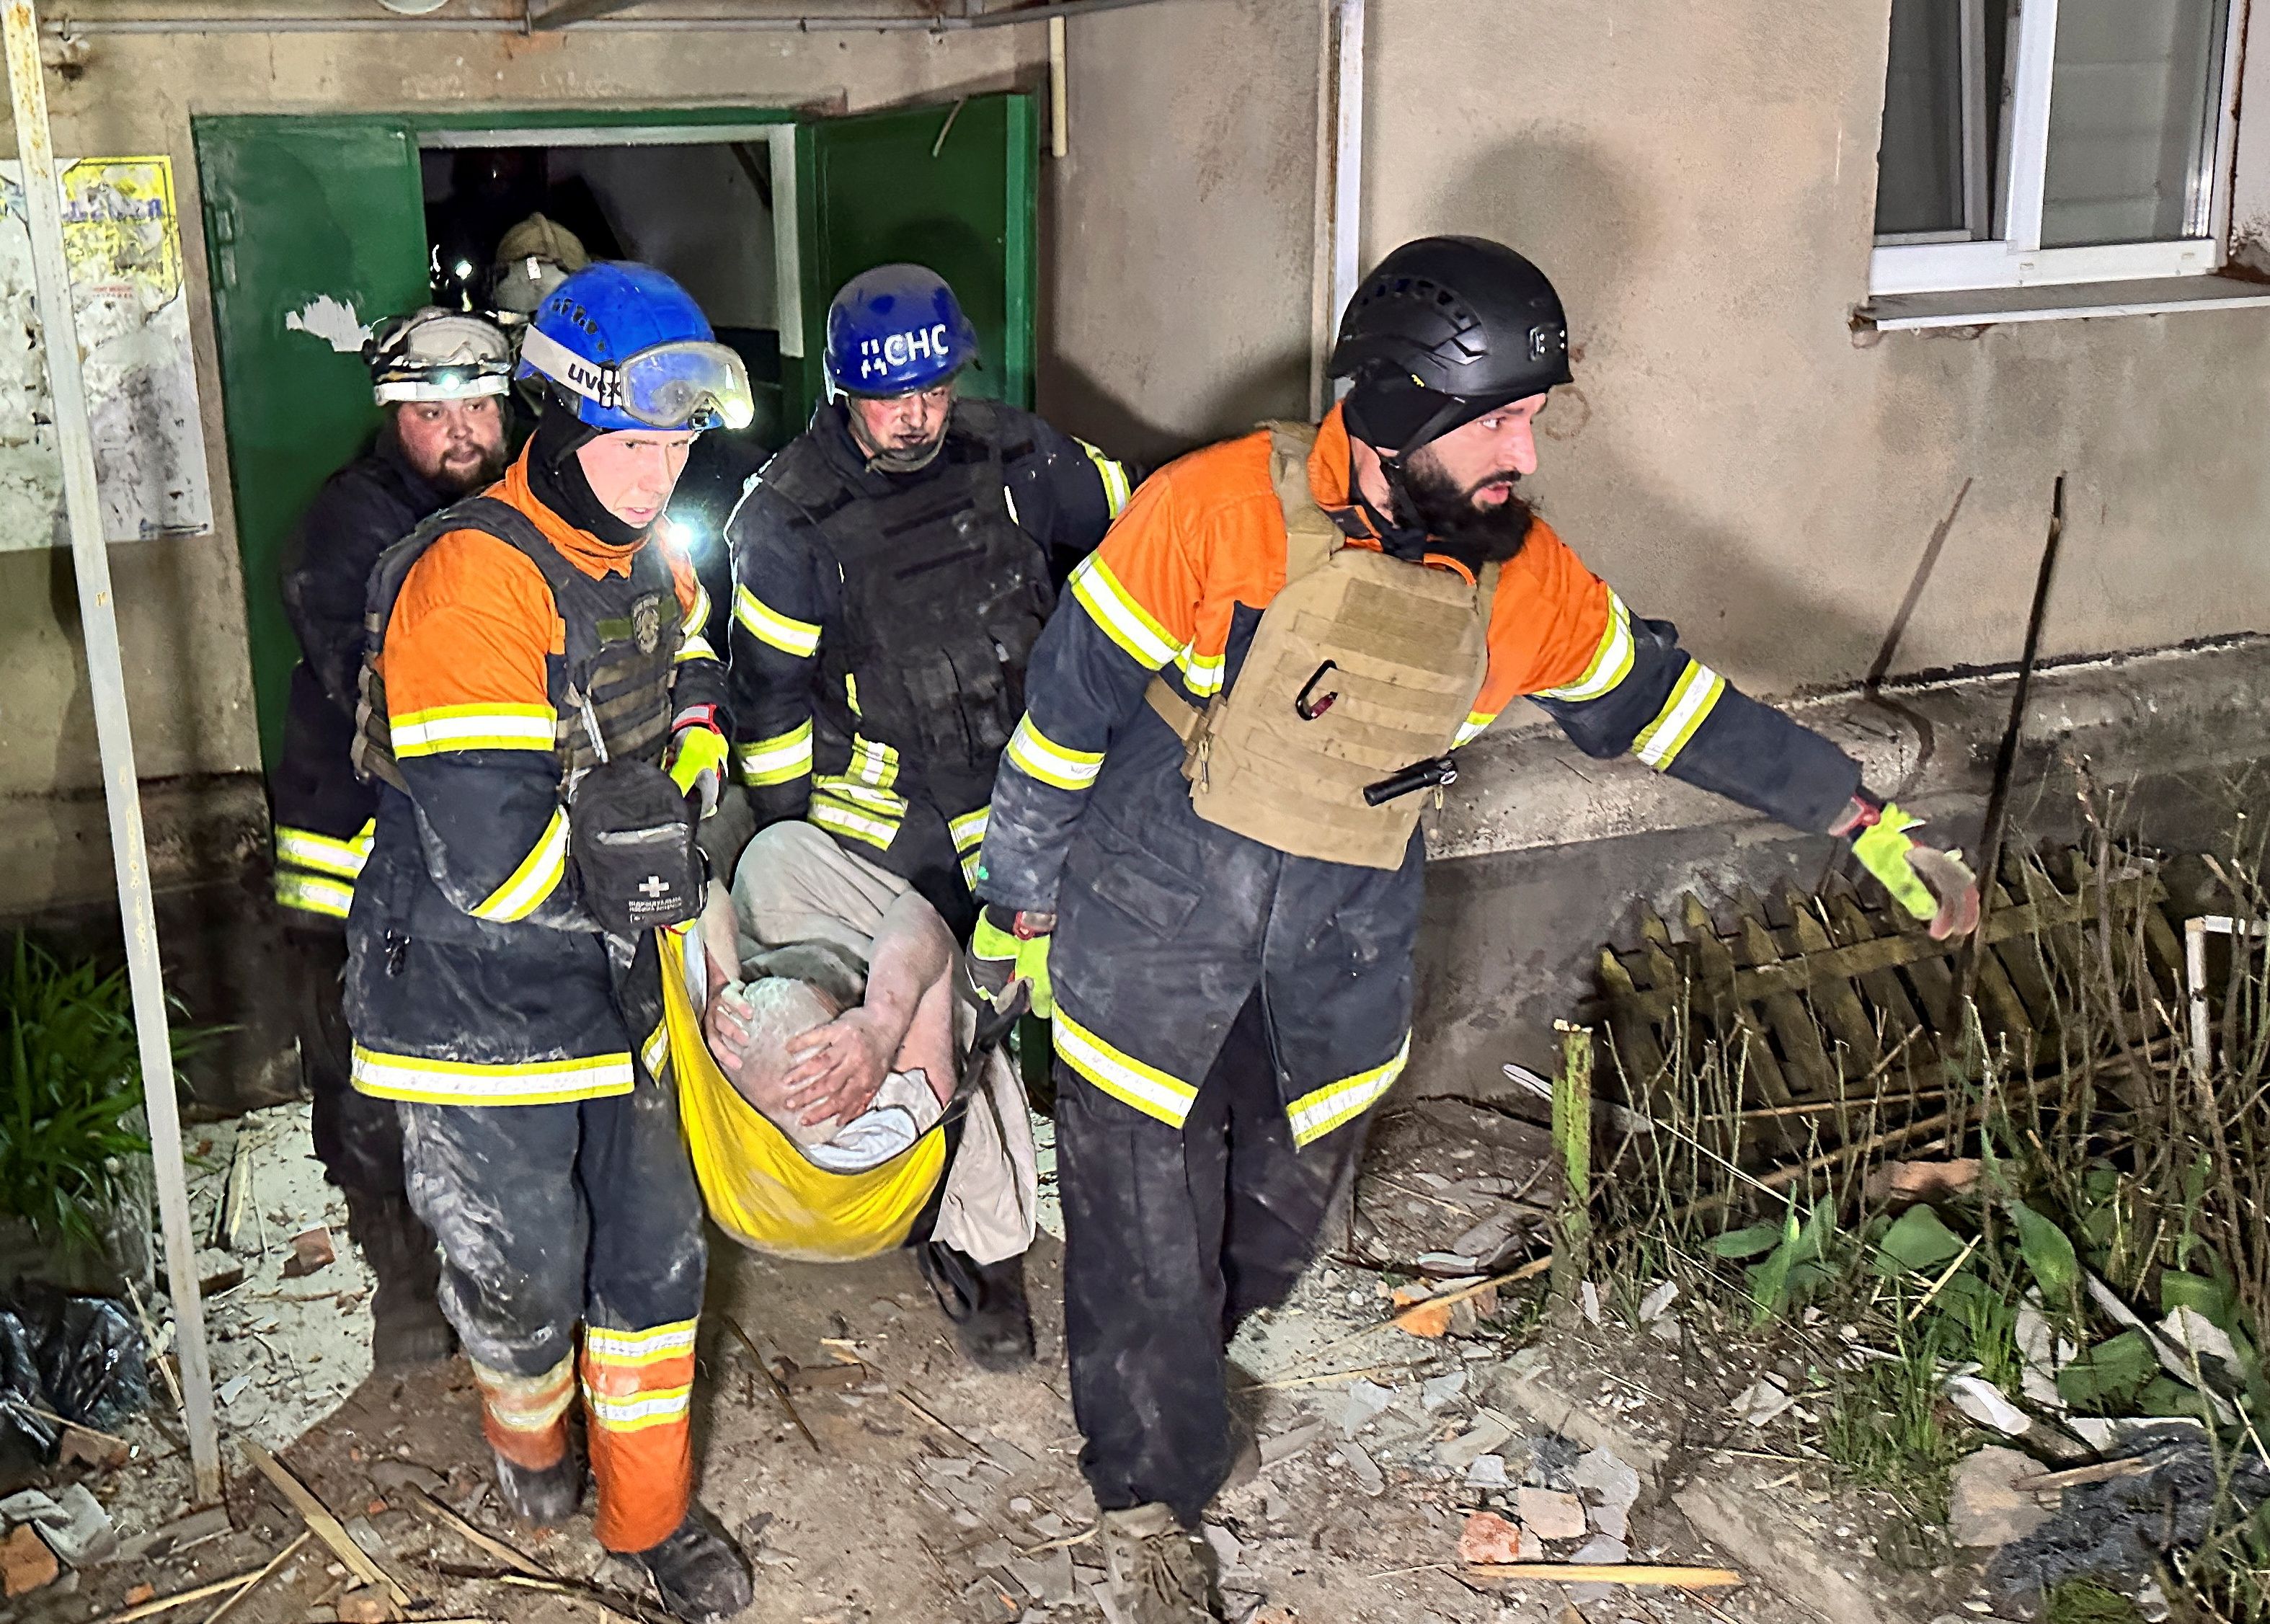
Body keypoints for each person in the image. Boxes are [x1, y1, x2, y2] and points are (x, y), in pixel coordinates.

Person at [971, 235, 1982, 1623]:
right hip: (1150, 928)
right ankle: (1144, 1497)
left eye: (1527, 419)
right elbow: (1065, 707)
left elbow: (1661, 704)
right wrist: (1019, 895)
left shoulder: (1525, 578)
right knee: (1143, 1241)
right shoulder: (1212, 512)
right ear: (1388, 408)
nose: (1523, 452)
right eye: (1495, 419)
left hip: (1333, 954)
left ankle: (1170, 1374)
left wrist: (1857, 816)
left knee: (1265, 1238)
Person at [342, 262, 753, 1623]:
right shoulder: (469, 583)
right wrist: (665, 879)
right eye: (637, 443)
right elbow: (498, 865)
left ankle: (645, 1524)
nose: (661, 472)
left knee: (653, 1261)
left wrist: (692, 746)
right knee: (524, 1279)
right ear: (560, 424)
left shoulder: (648, 542)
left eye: (682, 443)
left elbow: (690, 650)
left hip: (617, 980)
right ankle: (529, 1444)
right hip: (473, 1004)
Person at [721, 263, 1135, 1354]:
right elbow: (765, 700)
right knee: (955, 1016)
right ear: (842, 390)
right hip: (887, 811)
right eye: (890, 398)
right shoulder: (787, 520)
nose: (915, 418)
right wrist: (785, 833)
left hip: (1035, 784)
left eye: (933, 393)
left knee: (1095, 999)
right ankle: (982, 1250)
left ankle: (1118, 1211)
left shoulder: (1017, 456)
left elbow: (1143, 541)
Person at [270, 309, 513, 1368]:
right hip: (350, 840)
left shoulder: (530, 502)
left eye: (478, 405)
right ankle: (402, 1276)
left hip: (483, 840)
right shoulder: (346, 531)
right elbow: (396, 697)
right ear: (393, 416)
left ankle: (499, 1257)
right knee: (362, 1060)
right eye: (433, 411)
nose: (461, 430)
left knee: (501, 1050)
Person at [661, 819, 1037, 1362]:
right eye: (824, 999)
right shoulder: (898, 1113)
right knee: (970, 1048)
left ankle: (784, 973)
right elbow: (920, 924)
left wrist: (720, 985)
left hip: (749, 1203)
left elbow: (699, 884)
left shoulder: (714, 1068)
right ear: (859, 1088)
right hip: (893, 1192)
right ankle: (991, 1261)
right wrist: (882, 1025)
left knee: (770, 855)